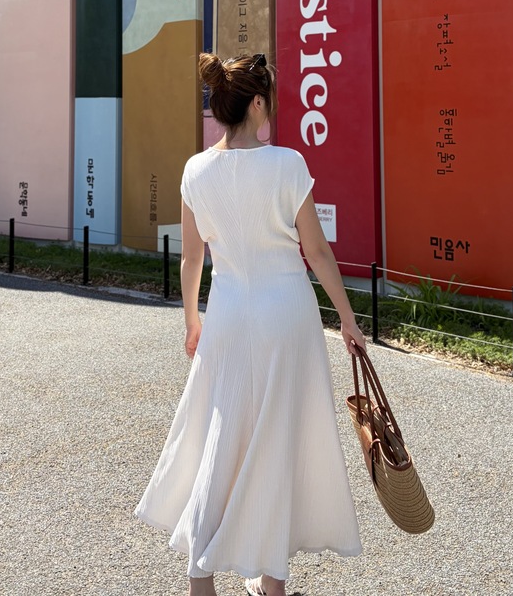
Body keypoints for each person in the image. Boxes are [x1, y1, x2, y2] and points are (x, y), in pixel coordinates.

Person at [135, 53, 366, 596]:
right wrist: (350, 321)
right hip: (287, 315)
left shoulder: (196, 170)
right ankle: (272, 582)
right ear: (258, 102)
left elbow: (192, 259)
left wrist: (192, 320)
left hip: (230, 313)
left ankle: (200, 578)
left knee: (222, 435)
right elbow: (318, 253)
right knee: (278, 439)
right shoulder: (288, 165)